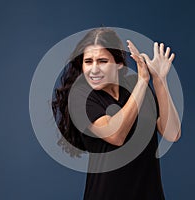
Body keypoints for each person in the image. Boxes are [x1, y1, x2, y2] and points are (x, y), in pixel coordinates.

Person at [52, 27, 181, 200]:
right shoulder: (81, 97)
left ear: (118, 63)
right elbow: (116, 135)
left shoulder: (135, 86)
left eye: (103, 61)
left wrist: (159, 79)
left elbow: (172, 133)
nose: (94, 69)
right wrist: (143, 81)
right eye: (88, 61)